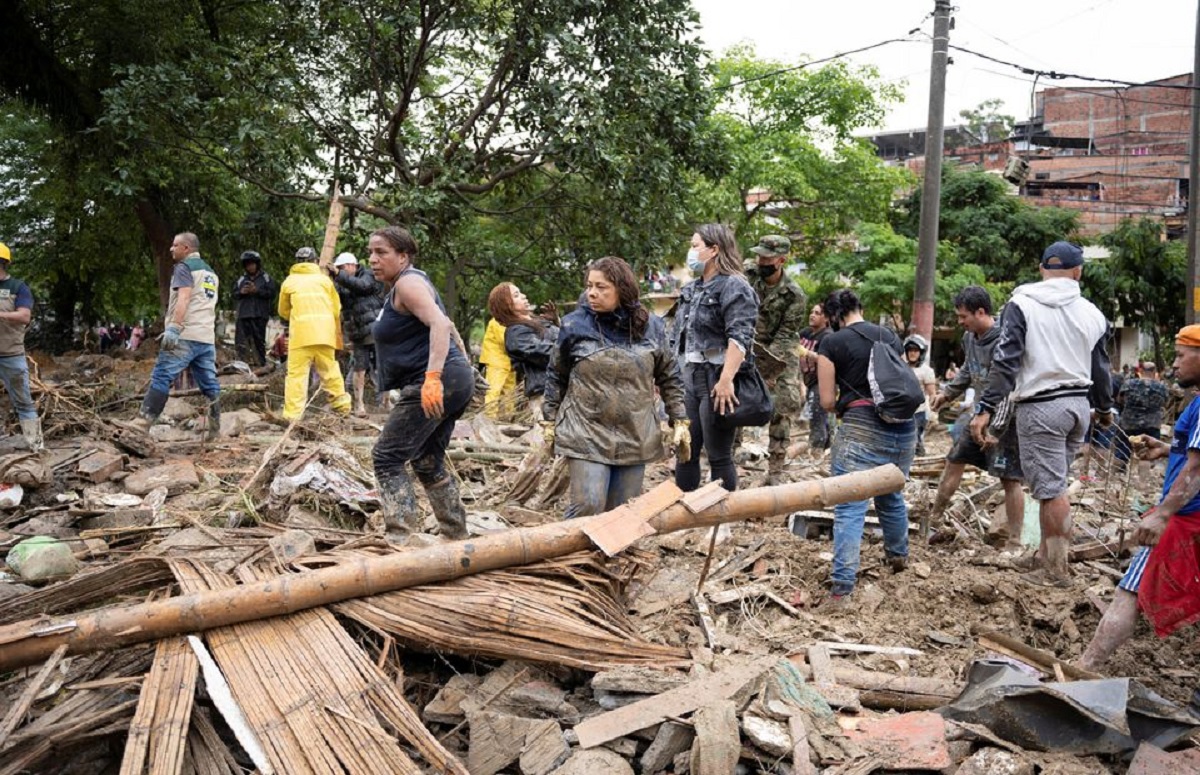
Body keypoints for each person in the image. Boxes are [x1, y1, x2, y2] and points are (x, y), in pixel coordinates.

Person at [970, 241, 1113, 586]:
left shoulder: (1022, 304)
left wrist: (986, 408)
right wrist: (1105, 407)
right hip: (1078, 406)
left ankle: (1055, 571)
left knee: (1050, 490)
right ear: (1078, 272)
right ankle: (1046, 557)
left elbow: (1006, 361)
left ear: (1041, 270)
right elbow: (1101, 367)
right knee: (1056, 482)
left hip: (1042, 406)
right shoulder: (1093, 313)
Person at [1079, 326, 1200, 670]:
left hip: (1185, 517)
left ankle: (1083, 668)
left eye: (1180, 355)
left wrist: (1162, 514)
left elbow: (1196, 469)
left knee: (1128, 594)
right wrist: (1167, 449)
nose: (1174, 364)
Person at [543, 257, 688, 519]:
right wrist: (549, 420)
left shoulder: (651, 327)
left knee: (621, 513)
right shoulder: (574, 326)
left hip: (635, 432)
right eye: (589, 286)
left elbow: (669, 375)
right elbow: (556, 374)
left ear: (622, 289)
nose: (592, 293)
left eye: (601, 287)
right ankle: (572, 546)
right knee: (589, 503)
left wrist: (679, 420)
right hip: (585, 429)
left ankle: (606, 548)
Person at [367, 226, 473, 543]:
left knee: (387, 457)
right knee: (427, 462)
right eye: (370, 252)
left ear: (403, 257)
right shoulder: (405, 285)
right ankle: (456, 535)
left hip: (435, 381)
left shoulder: (408, 283)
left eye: (381, 252)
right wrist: (463, 365)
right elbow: (448, 324)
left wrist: (432, 378)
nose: (372, 259)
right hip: (452, 379)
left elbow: (439, 323)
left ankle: (400, 541)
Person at [816, 289, 916, 607]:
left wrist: (846, 404)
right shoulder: (889, 336)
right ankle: (898, 557)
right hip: (904, 428)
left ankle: (842, 589)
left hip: (861, 425)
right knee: (890, 494)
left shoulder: (831, 343)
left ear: (834, 316)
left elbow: (826, 401)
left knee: (850, 504)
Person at [928, 286, 1024, 546]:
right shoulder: (969, 338)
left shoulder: (1005, 340)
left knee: (1009, 477)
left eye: (964, 316)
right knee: (954, 460)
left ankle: (1015, 541)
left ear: (980, 312)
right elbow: (968, 371)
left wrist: (996, 427)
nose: (960, 322)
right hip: (978, 415)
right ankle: (934, 518)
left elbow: (1008, 385)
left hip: (1005, 418)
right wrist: (947, 394)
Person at [672, 224, 759, 492]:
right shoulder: (691, 289)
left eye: (695, 246)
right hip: (689, 375)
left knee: (718, 453)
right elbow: (678, 338)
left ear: (714, 250)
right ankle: (685, 510)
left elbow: (740, 337)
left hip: (717, 376)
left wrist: (726, 379)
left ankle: (722, 514)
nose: (690, 252)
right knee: (685, 449)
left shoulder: (734, 286)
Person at [128, 232, 222, 440]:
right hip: (206, 337)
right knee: (210, 384)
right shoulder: (211, 273)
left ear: (186, 248)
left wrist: (174, 328)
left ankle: (141, 424)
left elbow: (184, 298)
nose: (171, 249)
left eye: (175, 245)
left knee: (162, 376)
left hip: (185, 335)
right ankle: (215, 430)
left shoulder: (184, 267)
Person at [747, 234, 807, 485]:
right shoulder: (747, 276)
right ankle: (728, 456)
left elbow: (784, 336)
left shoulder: (794, 295)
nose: (761, 261)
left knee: (783, 405)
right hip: (746, 344)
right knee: (734, 397)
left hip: (780, 351)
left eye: (767, 258)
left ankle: (776, 468)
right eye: (759, 256)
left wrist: (767, 369)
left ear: (781, 260)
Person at [277, 247, 352, 421]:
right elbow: (336, 309)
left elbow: (283, 311)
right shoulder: (324, 281)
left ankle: (293, 415)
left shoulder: (289, 282)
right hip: (324, 335)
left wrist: (297, 316)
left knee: (296, 376)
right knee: (330, 370)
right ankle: (342, 406)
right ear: (315, 261)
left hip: (300, 337)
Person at [487, 282, 558, 420]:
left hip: (563, 389)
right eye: (516, 295)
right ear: (507, 305)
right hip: (547, 395)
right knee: (494, 389)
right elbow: (546, 353)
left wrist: (554, 322)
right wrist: (573, 349)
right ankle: (491, 417)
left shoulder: (538, 322)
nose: (524, 296)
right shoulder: (516, 333)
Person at [330, 251, 387, 416]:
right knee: (359, 368)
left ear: (351, 266)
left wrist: (338, 274)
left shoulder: (368, 276)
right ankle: (359, 404)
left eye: (342, 268)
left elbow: (362, 286)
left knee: (382, 367)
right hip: (358, 334)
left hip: (375, 330)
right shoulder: (341, 282)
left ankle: (385, 402)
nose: (340, 271)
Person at [0, 243, 42, 451]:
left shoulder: (17, 287)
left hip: (11, 354)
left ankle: (36, 447)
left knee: (24, 402)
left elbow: (24, 316)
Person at [1114, 361, 1169, 462]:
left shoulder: (1129, 383)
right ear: (1154, 371)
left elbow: (1119, 400)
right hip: (1152, 424)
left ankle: (1118, 470)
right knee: (1147, 454)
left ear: (1141, 370)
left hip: (1128, 423)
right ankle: (1144, 471)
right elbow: (1165, 403)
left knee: (1121, 452)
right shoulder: (1162, 387)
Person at [797, 302, 833, 455]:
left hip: (822, 381)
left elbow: (827, 360)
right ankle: (826, 445)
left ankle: (817, 449)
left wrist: (806, 353)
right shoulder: (806, 333)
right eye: (812, 312)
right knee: (817, 416)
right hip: (807, 379)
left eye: (817, 313)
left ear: (826, 318)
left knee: (817, 414)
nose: (812, 315)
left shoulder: (828, 336)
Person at [234, 250, 275, 366]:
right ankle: (241, 364)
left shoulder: (266, 278)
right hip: (244, 314)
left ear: (257, 264)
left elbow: (272, 293)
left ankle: (261, 363)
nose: (250, 267)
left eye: (252, 264)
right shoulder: (241, 279)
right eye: (247, 264)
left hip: (260, 314)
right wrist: (241, 292)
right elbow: (234, 293)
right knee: (241, 341)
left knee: (259, 341)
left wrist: (257, 291)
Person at [903, 334, 938, 456]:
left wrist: (934, 412)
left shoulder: (926, 371)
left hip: (919, 411)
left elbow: (932, 393)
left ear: (921, 353)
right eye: (910, 350)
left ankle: (919, 457)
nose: (912, 353)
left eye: (915, 350)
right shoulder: (901, 368)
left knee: (914, 439)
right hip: (902, 410)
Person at [479, 311, 517, 420]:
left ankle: (508, 417)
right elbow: (506, 341)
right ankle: (490, 418)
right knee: (494, 391)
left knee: (510, 392)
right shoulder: (498, 321)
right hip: (496, 361)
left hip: (509, 362)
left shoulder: (510, 321)